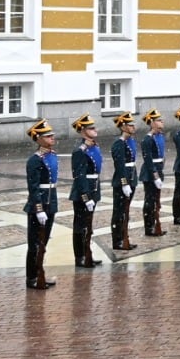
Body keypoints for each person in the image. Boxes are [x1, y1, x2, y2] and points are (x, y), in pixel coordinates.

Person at [23, 119, 59, 290]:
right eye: (48, 136)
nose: (52, 138)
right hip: (40, 205)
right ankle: (33, 277)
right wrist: (38, 208)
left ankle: (40, 273)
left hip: (50, 202)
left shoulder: (52, 155)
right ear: (38, 139)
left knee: (43, 242)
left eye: (52, 135)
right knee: (35, 243)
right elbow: (34, 186)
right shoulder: (35, 160)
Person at [68, 113, 103, 268]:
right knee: (80, 225)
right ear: (83, 131)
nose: (95, 130)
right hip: (84, 191)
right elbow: (79, 175)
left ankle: (88, 252)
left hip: (94, 188)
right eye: (91, 128)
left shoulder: (94, 147)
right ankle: (80, 256)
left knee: (88, 226)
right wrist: (85, 196)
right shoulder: (80, 151)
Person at [109, 111, 137, 251]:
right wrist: (124, 183)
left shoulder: (131, 141)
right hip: (123, 181)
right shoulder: (118, 144)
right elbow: (119, 165)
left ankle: (124, 237)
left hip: (132, 178)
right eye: (130, 125)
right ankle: (118, 240)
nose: (133, 127)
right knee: (119, 212)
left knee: (126, 212)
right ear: (123, 127)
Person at [139, 108, 167, 237]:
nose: (162, 123)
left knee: (156, 201)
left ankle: (155, 223)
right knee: (150, 201)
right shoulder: (147, 139)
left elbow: (162, 155)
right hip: (150, 173)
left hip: (158, 169)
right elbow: (148, 159)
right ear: (152, 123)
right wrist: (155, 176)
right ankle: (149, 226)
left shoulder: (160, 136)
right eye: (159, 120)